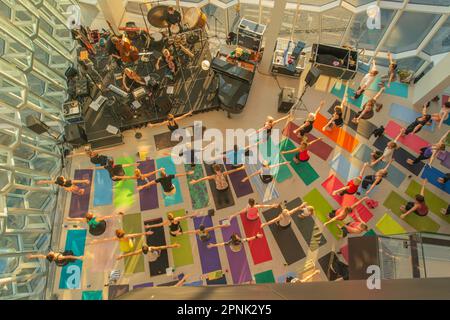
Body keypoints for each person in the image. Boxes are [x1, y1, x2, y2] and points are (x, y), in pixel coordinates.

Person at [88, 229, 154, 253]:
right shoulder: (126, 236)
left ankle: (129, 245)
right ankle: (132, 241)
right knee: (132, 238)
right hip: (130, 247)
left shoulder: (116, 238)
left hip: (123, 249)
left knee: (131, 238)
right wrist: (147, 233)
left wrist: (96, 241)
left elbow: (106, 240)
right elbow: (137, 234)